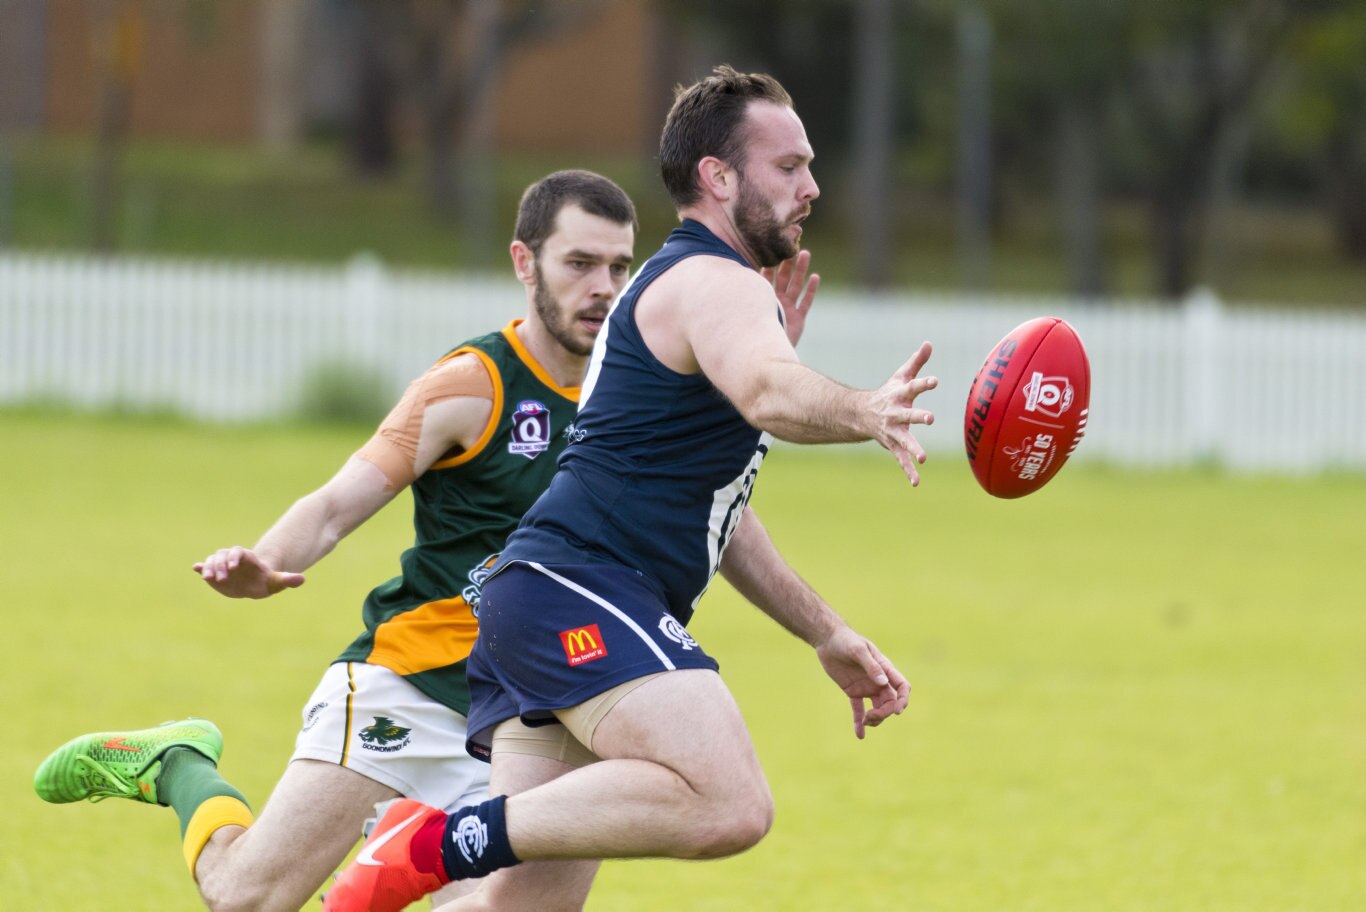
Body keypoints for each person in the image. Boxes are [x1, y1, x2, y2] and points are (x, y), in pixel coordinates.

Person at [321, 65, 936, 912]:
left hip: (543, 597)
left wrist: (825, 632)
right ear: (718, 178)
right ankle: (435, 836)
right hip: (579, 590)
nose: (812, 187)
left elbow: (722, 511)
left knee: (519, 911)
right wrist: (865, 407)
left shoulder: (686, 287)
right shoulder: (710, 282)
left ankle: (441, 843)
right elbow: (769, 391)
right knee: (729, 802)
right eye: (788, 167)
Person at [31, 170, 643, 912]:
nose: (604, 287)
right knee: (245, 897)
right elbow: (337, 502)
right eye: (579, 264)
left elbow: (716, 518)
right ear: (525, 263)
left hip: (539, 720)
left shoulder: (636, 397)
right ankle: (179, 764)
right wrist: (268, 560)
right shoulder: (473, 384)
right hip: (416, 688)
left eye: (619, 266)